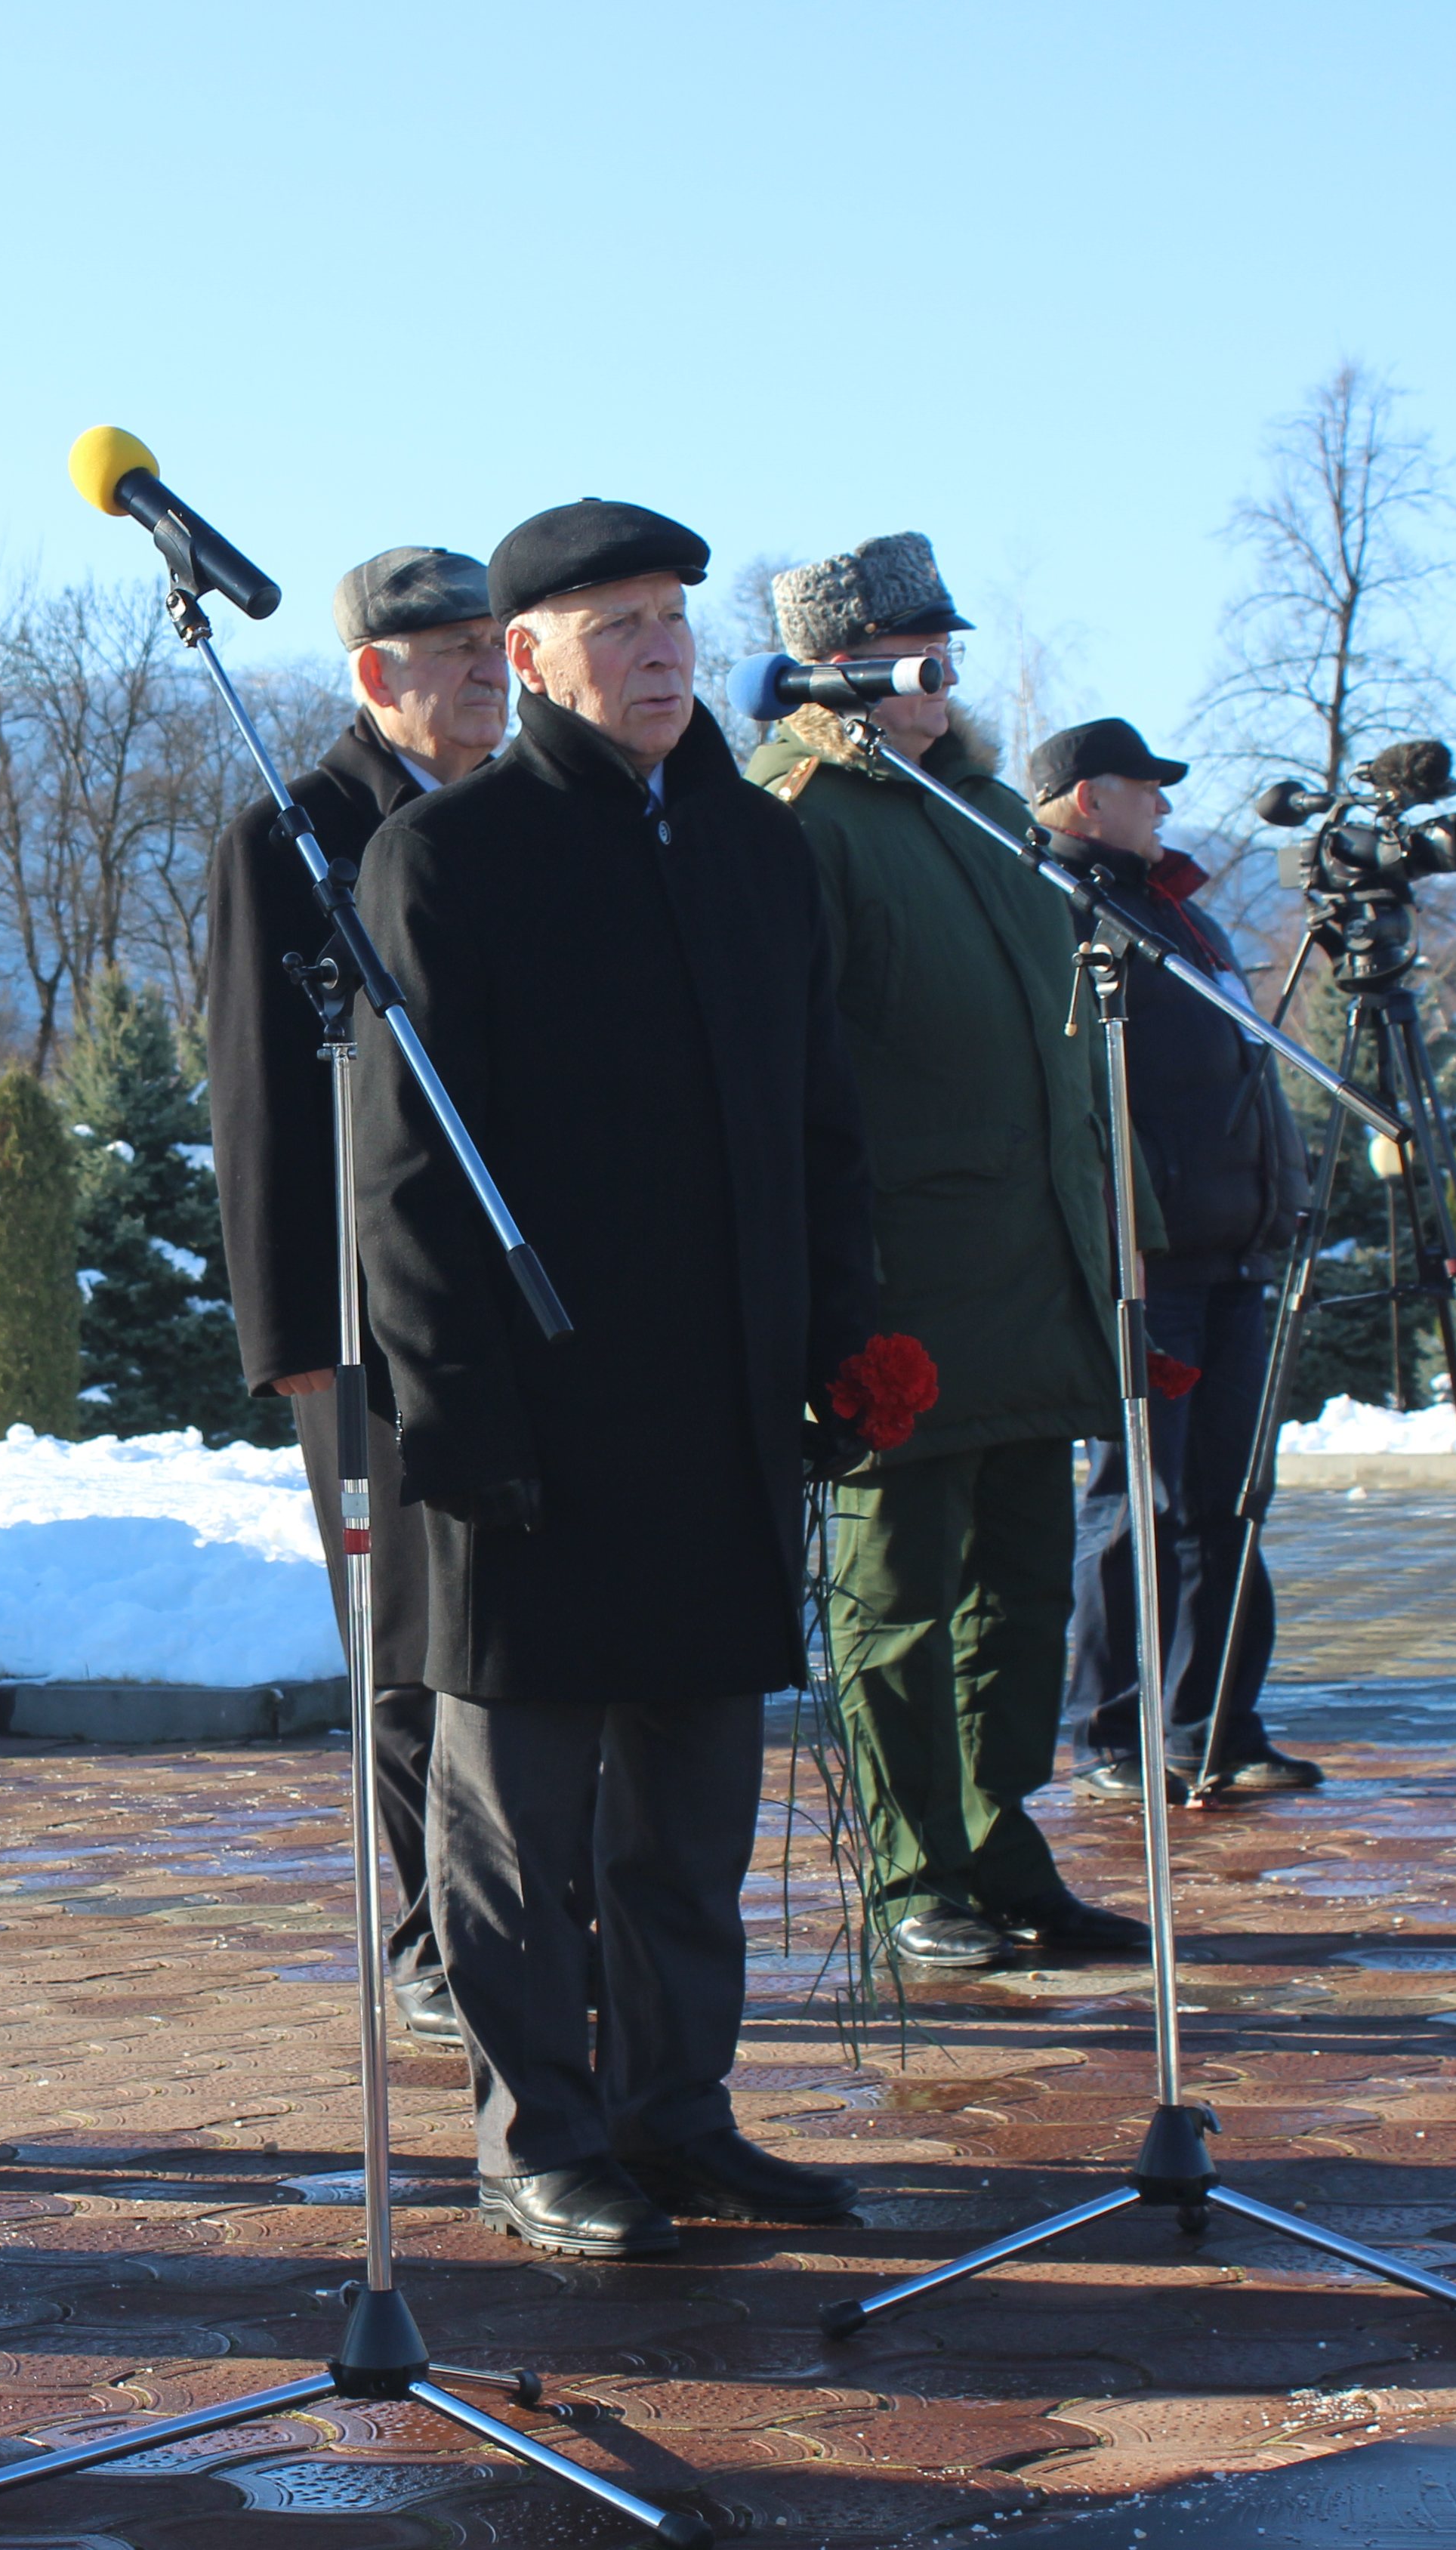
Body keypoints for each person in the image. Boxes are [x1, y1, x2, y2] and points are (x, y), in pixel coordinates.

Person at [353, 502, 881, 2259]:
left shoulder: (754, 848)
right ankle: (541, 2137)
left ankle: (678, 2114)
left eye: (672, 620)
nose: (660, 653)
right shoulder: (451, 856)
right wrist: (456, 1414)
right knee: (517, 1822)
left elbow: (820, 1123)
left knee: (691, 1808)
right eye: (617, 627)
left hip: (723, 1412)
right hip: (535, 1421)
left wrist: (847, 1340)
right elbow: (405, 1180)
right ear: (528, 658)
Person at [745, 534, 1147, 1974]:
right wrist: (827, 1292)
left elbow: (1064, 1057)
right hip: (903, 1285)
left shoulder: (982, 809)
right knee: (897, 1600)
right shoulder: (799, 819)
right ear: (832, 672)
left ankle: (999, 1842)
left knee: (1023, 1592)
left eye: (945, 650)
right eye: (910, 654)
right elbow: (787, 1075)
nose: (942, 675)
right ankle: (916, 1870)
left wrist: (1120, 1237)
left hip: (1033, 1272)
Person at [203, 545, 507, 2049]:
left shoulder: (524, 820)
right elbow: (259, 1092)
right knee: (403, 1638)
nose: (487, 671)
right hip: (364, 1312)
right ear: (376, 674)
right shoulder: (295, 832)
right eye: (452, 650)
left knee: (515, 1630)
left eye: (496, 643)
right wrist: (294, 1337)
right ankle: (431, 1929)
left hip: (518, 1295)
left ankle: (528, 1912)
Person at [1025, 719, 1322, 1799]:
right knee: (1132, 1509)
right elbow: (1072, 1099)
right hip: (1149, 1265)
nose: (1163, 804)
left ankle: (1215, 1725)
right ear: (1087, 798)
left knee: (1225, 1503)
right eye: (1144, 786)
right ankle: (1110, 1734)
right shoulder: (1061, 912)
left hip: (1234, 1251)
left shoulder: (1179, 914)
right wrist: (1119, 1237)